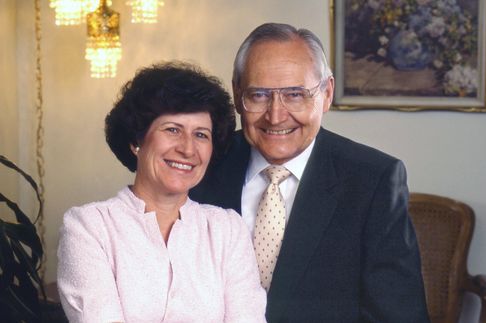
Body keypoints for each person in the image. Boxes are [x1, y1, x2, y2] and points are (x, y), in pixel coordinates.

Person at [189, 23, 430, 322]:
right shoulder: (200, 165)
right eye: (259, 95)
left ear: (326, 94)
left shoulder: (373, 180)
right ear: (238, 95)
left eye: (295, 94)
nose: (276, 116)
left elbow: (399, 316)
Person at [57, 61, 266, 322]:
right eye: (172, 130)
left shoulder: (227, 230)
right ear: (136, 140)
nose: (188, 149)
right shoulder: (89, 227)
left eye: (201, 135)